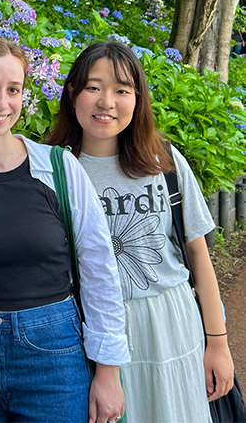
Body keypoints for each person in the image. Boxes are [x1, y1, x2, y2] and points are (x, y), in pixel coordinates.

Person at [46, 41, 235, 422]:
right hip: (91, 329)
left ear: (138, 98)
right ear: (71, 93)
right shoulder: (51, 169)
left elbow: (198, 254)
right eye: (93, 87)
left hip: (170, 321)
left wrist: (217, 343)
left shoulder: (162, 160)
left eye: (122, 90)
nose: (106, 102)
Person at [0, 38, 130, 423]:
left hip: (55, 356)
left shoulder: (58, 168)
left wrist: (108, 371)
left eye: (13, 90)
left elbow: (100, 269)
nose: (1, 103)